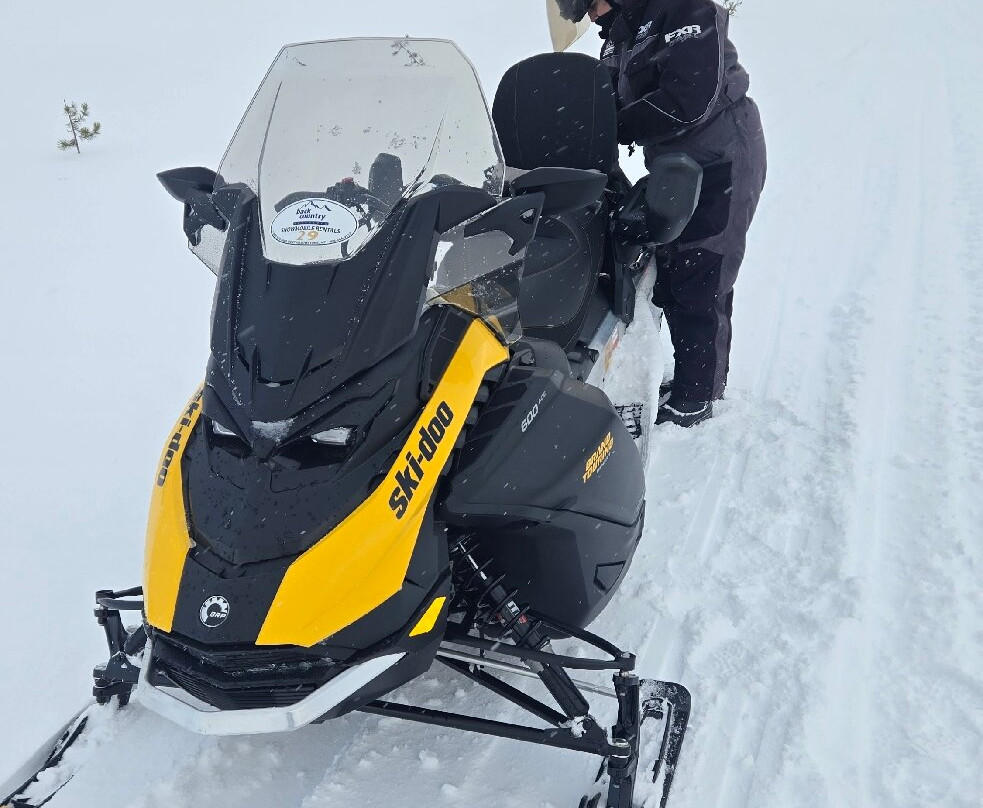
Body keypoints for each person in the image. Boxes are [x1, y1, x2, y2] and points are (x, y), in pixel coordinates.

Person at [558, 0, 767, 427]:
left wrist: (612, 127)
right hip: (676, 164)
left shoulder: (684, 9)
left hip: (721, 155)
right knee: (672, 266)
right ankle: (695, 377)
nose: (589, 16)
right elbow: (601, 96)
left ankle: (698, 395)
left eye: (588, 4)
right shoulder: (620, 35)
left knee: (703, 269)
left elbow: (688, 97)